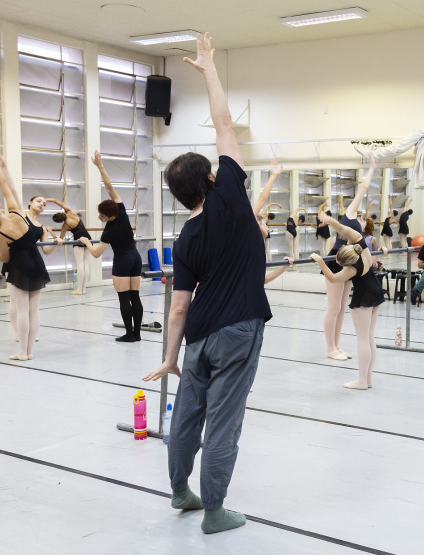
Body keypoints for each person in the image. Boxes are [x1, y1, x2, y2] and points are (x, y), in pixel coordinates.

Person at [142, 33, 272, 535]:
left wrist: (172, 356)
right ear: (213, 180)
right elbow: (224, 122)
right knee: (223, 422)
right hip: (238, 331)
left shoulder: (185, 237)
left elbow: (178, 306)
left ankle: (181, 490)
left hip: (197, 337)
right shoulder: (233, 201)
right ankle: (215, 510)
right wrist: (210, 69)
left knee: (187, 416)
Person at [0, 148, 52, 360]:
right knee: (33, 311)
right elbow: (6, 185)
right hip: (37, 263)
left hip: (20, 269)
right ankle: (30, 352)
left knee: (22, 311)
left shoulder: (0, 234)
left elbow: (5, 258)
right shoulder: (17, 212)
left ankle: (22, 352)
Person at [313, 212, 386, 389]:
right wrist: (331, 222)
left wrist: (320, 260)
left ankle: (361, 381)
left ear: (346, 264)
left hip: (364, 297)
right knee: (369, 338)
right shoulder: (361, 245)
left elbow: (331, 277)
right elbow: (344, 229)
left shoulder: (351, 270)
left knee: (362, 339)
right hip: (376, 290)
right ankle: (367, 379)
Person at [80, 151, 144, 342]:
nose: (99, 217)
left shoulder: (109, 231)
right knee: (135, 296)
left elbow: (96, 253)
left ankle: (129, 335)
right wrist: (100, 166)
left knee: (124, 299)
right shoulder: (122, 211)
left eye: (101, 215)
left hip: (123, 261)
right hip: (135, 258)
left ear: (109, 216)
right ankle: (137, 334)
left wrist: (85, 241)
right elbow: (108, 187)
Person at [322, 159, 377, 360]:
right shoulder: (350, 214)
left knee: (341, 307)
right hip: (337, 260)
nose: (362, 218)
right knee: (334, 307)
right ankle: (330, 348)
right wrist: (371, 168)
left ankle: (336, 345)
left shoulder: (359, 225)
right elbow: (363, 187)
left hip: (349, 261)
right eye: (362, 216)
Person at [47, 198, 93, 295]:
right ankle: (83, 289)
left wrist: (50, 231)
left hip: (78, 240)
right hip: (88, 237)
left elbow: (59, 240)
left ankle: (79, 290)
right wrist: (46, 200)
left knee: (80, 264)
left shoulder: (65, 226)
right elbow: (56, 201)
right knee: (86, 263)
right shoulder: (70, 212)